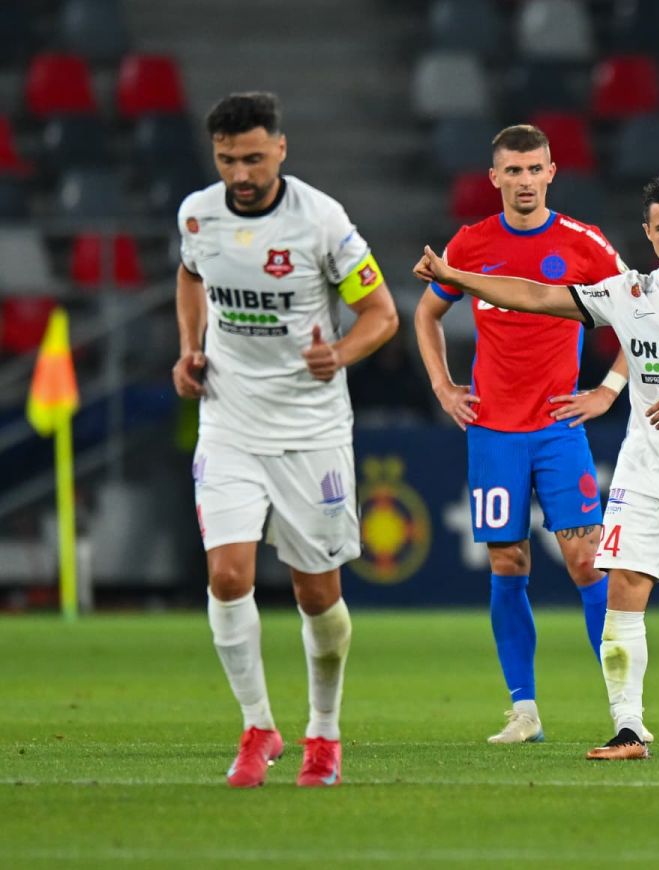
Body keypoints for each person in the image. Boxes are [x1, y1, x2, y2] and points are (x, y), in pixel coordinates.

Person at [415, 175, 659, 760]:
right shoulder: (627, 293)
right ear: (648, 234)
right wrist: (457, 276)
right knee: (623, 592)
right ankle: (629, 727)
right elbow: (534, 295)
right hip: (641, 472)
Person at [172, 92, 399, 788]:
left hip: (310, 431)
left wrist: (342, 354)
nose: (240, 174)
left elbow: (381, 314)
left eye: (252, 158)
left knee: (317, 594)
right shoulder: (197, 214)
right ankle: (257, 726)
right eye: (226, 160)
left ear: (280, 148)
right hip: (230, 421)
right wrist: (189, 347)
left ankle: (323, 733)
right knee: (227, 576)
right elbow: (190, 273)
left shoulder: (321, 221)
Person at [413, 125, 630, 745]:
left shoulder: (584, 243)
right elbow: (427, 313)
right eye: (513, 170)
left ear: (552, 173)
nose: (526, 181)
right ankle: (524, 710)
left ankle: (625, 710)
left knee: (586, 562)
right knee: (509, 562)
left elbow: (643, 314)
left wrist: (607, 391)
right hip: (493, 433)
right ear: (495, 178)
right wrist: (443, 387)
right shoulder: (471, 244)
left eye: (535, 169)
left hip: (559, 430)